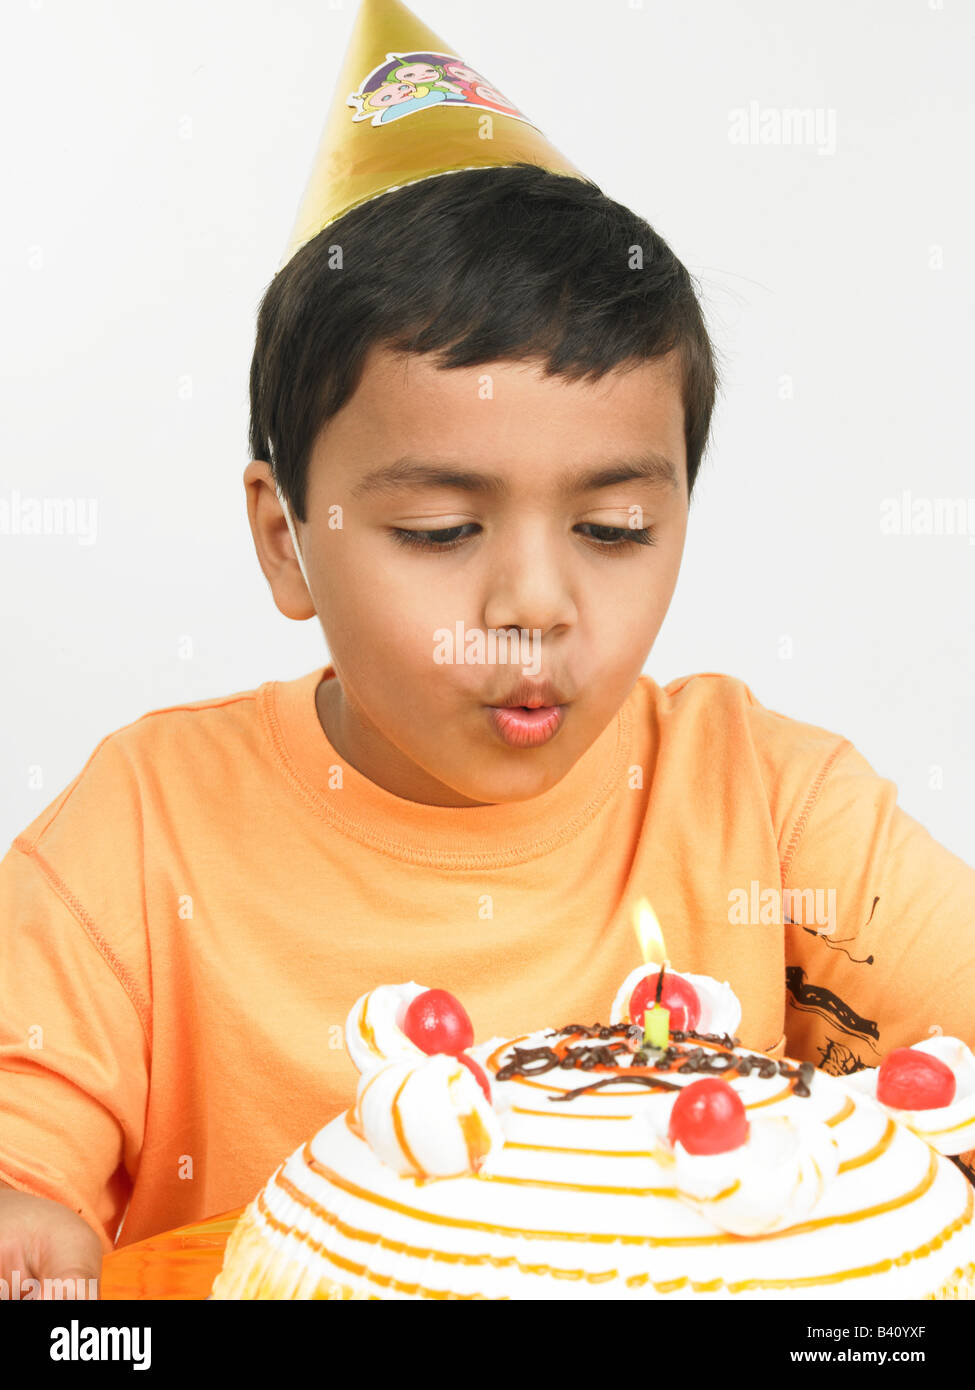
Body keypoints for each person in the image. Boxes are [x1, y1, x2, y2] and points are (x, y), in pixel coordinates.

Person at [3, 0, 974, 1301]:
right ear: (288, 541)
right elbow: (22, 1173)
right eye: (442, 529)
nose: (535, 605)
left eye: (614, 529)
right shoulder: (141, 832)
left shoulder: (775, 809)